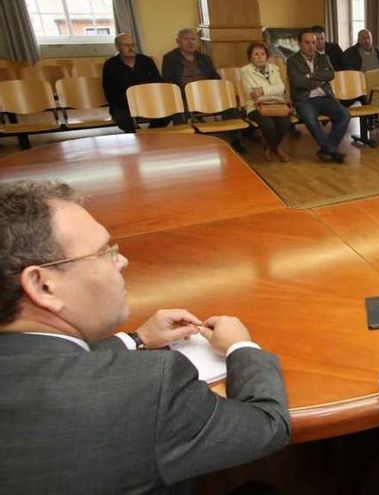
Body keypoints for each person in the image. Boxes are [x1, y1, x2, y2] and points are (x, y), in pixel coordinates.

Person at [0, 181, 291, 492]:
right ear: (43, 285)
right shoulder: (149, 387)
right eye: (104, 252)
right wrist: (240, 346)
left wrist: (136, 339)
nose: (122, 261)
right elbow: (267, 426)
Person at [162, 28, 247, 154]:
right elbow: (169, 82)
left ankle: (236, 141)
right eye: (186, 39)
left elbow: (215, 77)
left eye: (193, 39)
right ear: (178, 41)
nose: (190, 43)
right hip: (184, 96)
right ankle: (185, 143)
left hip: (208, 94)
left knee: (229, 103)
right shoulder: (170, 58)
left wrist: (218, 89)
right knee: (177, 109)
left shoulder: (204, 58)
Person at [288, 31, 351, 164]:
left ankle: (326, 150)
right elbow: (298, 82)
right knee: (311, 121)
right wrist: (319, 79)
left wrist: (310, 75)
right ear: (300, 44)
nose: (311, 46)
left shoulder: (323, 57)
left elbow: (330, 75)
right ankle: (332, 150)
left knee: (344, 115)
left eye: (313, 43)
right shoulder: (292, 61)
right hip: (305, 100)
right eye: (307, 43)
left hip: (325, 97)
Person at [101, 33, 165, 133]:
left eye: (133, 45)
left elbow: (158, 83)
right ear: (117, 47)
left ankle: (151, 133)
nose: (130, 48)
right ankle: (134, 135)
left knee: (167, 112)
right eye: (126, 45)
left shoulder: (146, 61)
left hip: (147, 100)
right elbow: (109, 91)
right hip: (123, 104)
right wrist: (130, 102)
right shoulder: (111, 64)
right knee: (122, 118)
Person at [241, 42, 292, 162]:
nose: (260, 57)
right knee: (268, 124)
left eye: (262, 54)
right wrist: (271, 92)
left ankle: (270, 146)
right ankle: (277, 149)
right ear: (250, 57)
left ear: (266, 56)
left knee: (285, 122)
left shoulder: (274, 68)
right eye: (256, 54)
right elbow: (252, 93)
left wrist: (263, 90)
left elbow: (281, 88)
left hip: (276, 105)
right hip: (255, 106)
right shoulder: (245, 71)